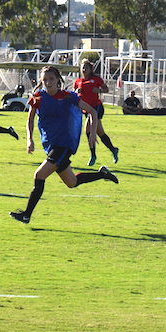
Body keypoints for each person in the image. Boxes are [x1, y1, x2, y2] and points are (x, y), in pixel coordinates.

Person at [9, 66, 119, 224]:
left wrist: (93, 134)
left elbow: (93, 112)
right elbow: (30, 119)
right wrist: (29, 139)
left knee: (39, 175)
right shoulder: (38, 98)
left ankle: (26, 215)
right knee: (72, 182)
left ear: (58, 79)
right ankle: (103, 174)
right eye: (45, 79)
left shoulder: (68, 96)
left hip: (65, 144)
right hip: (52, 145)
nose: (48, 82)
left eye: (51, 79)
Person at [74, 59, 119, 165]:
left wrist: (99, 90)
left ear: (91, 69)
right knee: (100, 133)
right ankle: (113, 150)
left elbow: (106, 89)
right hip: (86, 109)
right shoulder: (78, 81)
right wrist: (76, 92)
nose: (84, 69)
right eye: (82, 67)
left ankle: (93, 156)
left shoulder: (96, 79)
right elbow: (74, 94)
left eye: (86, 67)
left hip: (96, 107)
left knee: (88, 129)